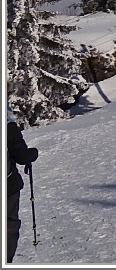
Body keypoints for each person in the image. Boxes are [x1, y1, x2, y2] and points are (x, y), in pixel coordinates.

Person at [7, 106, 39, 263]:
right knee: (8, 224)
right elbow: (21, 155)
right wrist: (32, 154)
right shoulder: (7, 122)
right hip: (7, 187)